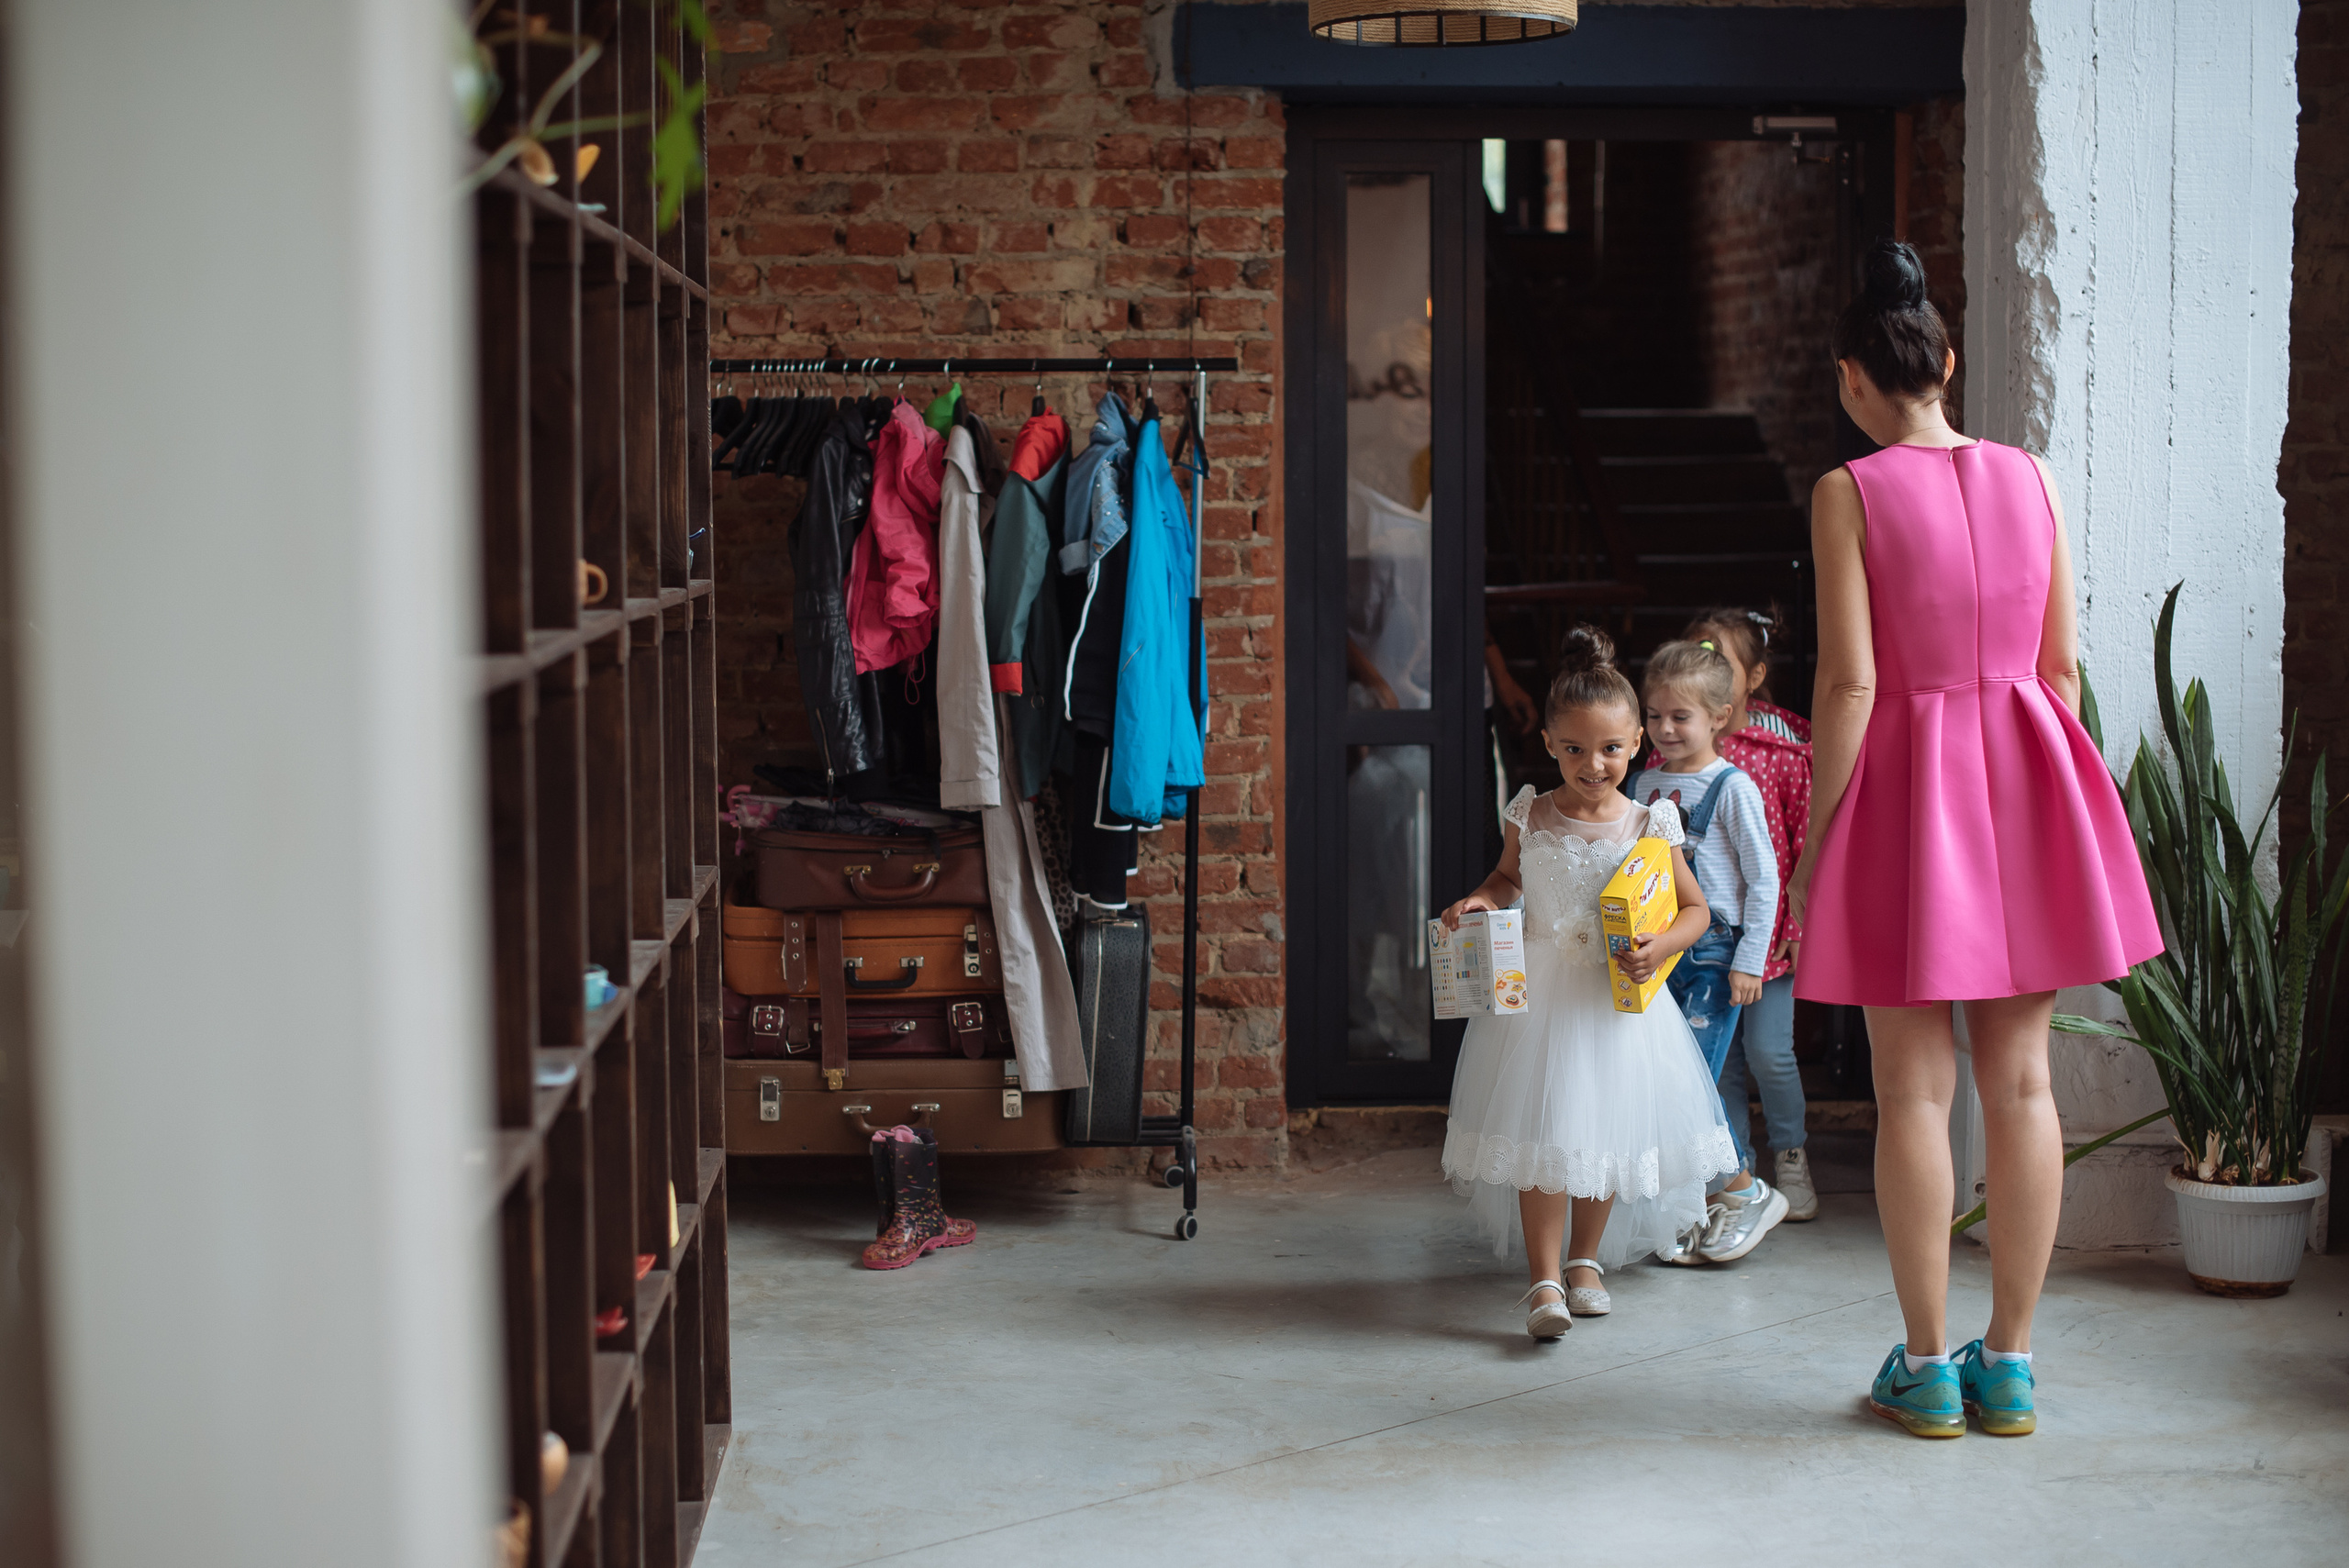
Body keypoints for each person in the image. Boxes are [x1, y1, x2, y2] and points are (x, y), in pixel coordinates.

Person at [1789, 240, 2162, 1438]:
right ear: (1947, 363)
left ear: (1852, 378)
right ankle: (2007, 1363)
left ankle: (1924, 1367)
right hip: (2026, 772)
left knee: (1912, 1089)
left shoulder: (1846, 491)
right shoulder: (2033, 478)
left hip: (1908, 787)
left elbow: (1851, 683)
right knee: (2024, 1080)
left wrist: (1818, 841)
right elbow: (2062, 667)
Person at [1439, 626, 1742, 1340]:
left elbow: (1697, 910)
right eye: (1574, 748)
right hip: (1540, 998)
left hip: (1617, 1004)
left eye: (1609, 748)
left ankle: (1585, 1261)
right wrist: (1481, 898)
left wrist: (1659, 947)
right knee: (1542, 1134)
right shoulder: (1531, 812)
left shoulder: (1649, 823)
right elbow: (1507, 877)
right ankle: (1544, 1278)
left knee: (1603, 1130)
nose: (1593, 763)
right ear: (1549, 743)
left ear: (1636, 742)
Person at [1629, 641, 1786, 1265]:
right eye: (1654, 715)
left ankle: (1744, 1190)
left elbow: (1765, 879)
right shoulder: (1643, 782)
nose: (1664, 729)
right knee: (1664, 1079)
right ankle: (1697, 1204)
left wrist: (1750, 959)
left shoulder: (1733, 787)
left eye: (1680, 716)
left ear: (1720, 716)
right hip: (1658, 949)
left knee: (1693, 1082)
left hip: (1716, 957)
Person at [1683, 608, 1816, 1223]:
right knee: (1721, 1063)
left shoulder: (1782, 755)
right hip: (1702, 943)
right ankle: (1735, 1175)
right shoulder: (1673, 757)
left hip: (1768, 942)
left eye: (1721, 665)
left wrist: (1795, 928)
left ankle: (1791, 1153)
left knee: (1770, 1054)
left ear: (1755, 676)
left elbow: (1803, 844)